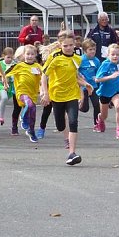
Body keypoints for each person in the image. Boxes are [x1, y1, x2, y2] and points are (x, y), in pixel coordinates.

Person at [40, 30, 93, 165]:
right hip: (57, 95)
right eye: (65, 46)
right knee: (60, 124)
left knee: (73, 121)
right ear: (60, 45)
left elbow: (76, 77)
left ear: (74, 44)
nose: (69, 48)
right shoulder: (54, 57)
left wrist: (86, 84)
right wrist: (45, 93)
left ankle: (72, 152)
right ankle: (66, 139)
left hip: (72, 94)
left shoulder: (77, 58)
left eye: (71, 45)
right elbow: (44, 76)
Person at [4, 44, 43, 142]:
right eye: (28, 54)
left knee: (33, 111)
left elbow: (45, 77)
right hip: (21, 92)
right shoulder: (19, 66)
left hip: (33, 93)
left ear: (35, 55)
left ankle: (31, 131)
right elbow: (5, 73)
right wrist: (4, 81)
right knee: (29, 105)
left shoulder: (38, 66)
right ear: (23, 55)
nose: (30, 56)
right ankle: (23, 117)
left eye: (32, 54)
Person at [94, 43, 119, 138]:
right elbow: (97, 79)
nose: (115, 56)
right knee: (104, 116)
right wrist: (110, 77)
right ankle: (100, 119)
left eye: (117, 54)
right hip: (104, 93)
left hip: (115, 91)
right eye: (112, 54)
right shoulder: (105, 64)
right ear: (108, 55)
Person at [79, 39, 102, 129]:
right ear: (84, 51)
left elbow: (99, 72)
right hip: (84, 86)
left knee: (97, 104)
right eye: (90, 50)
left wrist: (97, 77)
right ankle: (77, 105)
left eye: (94, 49)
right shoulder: (80, 60)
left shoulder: (96, 61)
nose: (92, 51)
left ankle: (96, 124)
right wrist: (80, 75)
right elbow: (75, 71)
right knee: (85, 109)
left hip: (94, 86)